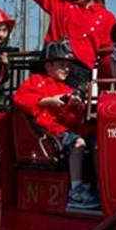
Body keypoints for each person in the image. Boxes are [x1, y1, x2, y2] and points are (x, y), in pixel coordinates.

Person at [13, 40, 99, 209]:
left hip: (64, 129)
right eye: (62, 65)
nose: (66, 69)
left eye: (68, 66)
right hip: (47, 132)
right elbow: (20, 99)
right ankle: (75, 191)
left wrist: (76, 106)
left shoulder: (66, 88)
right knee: (78, 143)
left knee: (96, 140)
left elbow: (73, 119)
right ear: (48, 66)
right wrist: (48, 101)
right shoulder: (35, 81)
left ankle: (97, 185)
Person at [24, 0, 116, 93]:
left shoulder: (107, 18)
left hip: (79, 73)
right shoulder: (63, 4)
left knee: (72, 107)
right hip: (50, 66)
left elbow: (107, 54)